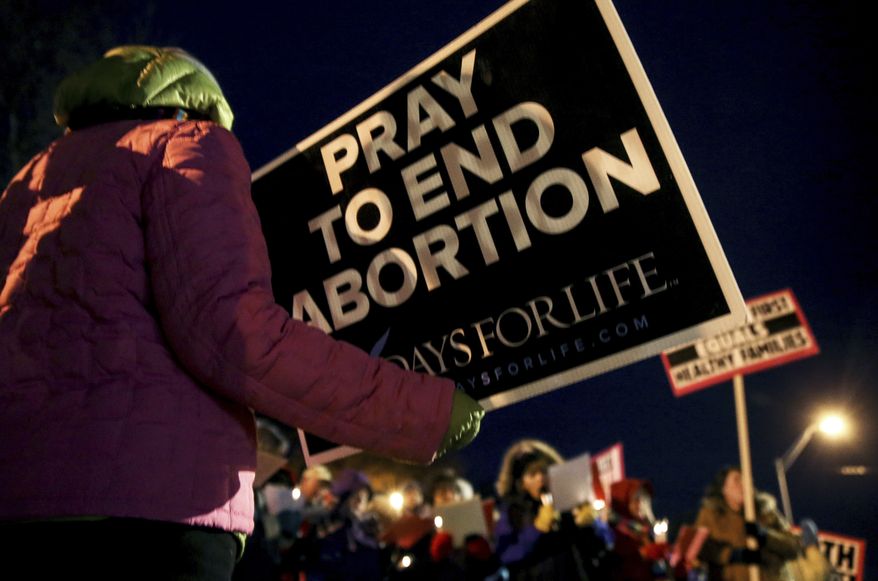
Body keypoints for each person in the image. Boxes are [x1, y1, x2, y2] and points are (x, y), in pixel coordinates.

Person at [0, 45, 484, 578]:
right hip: (154, 511)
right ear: (195, 101)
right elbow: (234, 334)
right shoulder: (187, 144)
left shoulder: (27, 180)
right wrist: (423, 412)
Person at [493, 439, 610, 580]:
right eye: (532, 474)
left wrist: (593, 524)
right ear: (521, 483)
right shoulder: (512, 513)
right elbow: (506, 556)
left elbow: (606, 543)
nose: (541, 478)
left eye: (544, 471)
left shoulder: (570, 502)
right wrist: (536, 529)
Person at [695, 466, 802, 581]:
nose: (743, 484)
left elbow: (794, 547)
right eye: (736, 480)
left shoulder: (765, 511)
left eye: (746, 479)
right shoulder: (711, 515)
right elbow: (699, 548)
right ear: (724, 488)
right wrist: (732, 555)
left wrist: (766, 536)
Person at [608, 478, 670, 581]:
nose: (639, 504)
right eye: (635, 499)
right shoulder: (614, 531)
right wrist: (647, 552)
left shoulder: (643, 528)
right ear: (624, 501)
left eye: (642, 499)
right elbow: (621, 564)